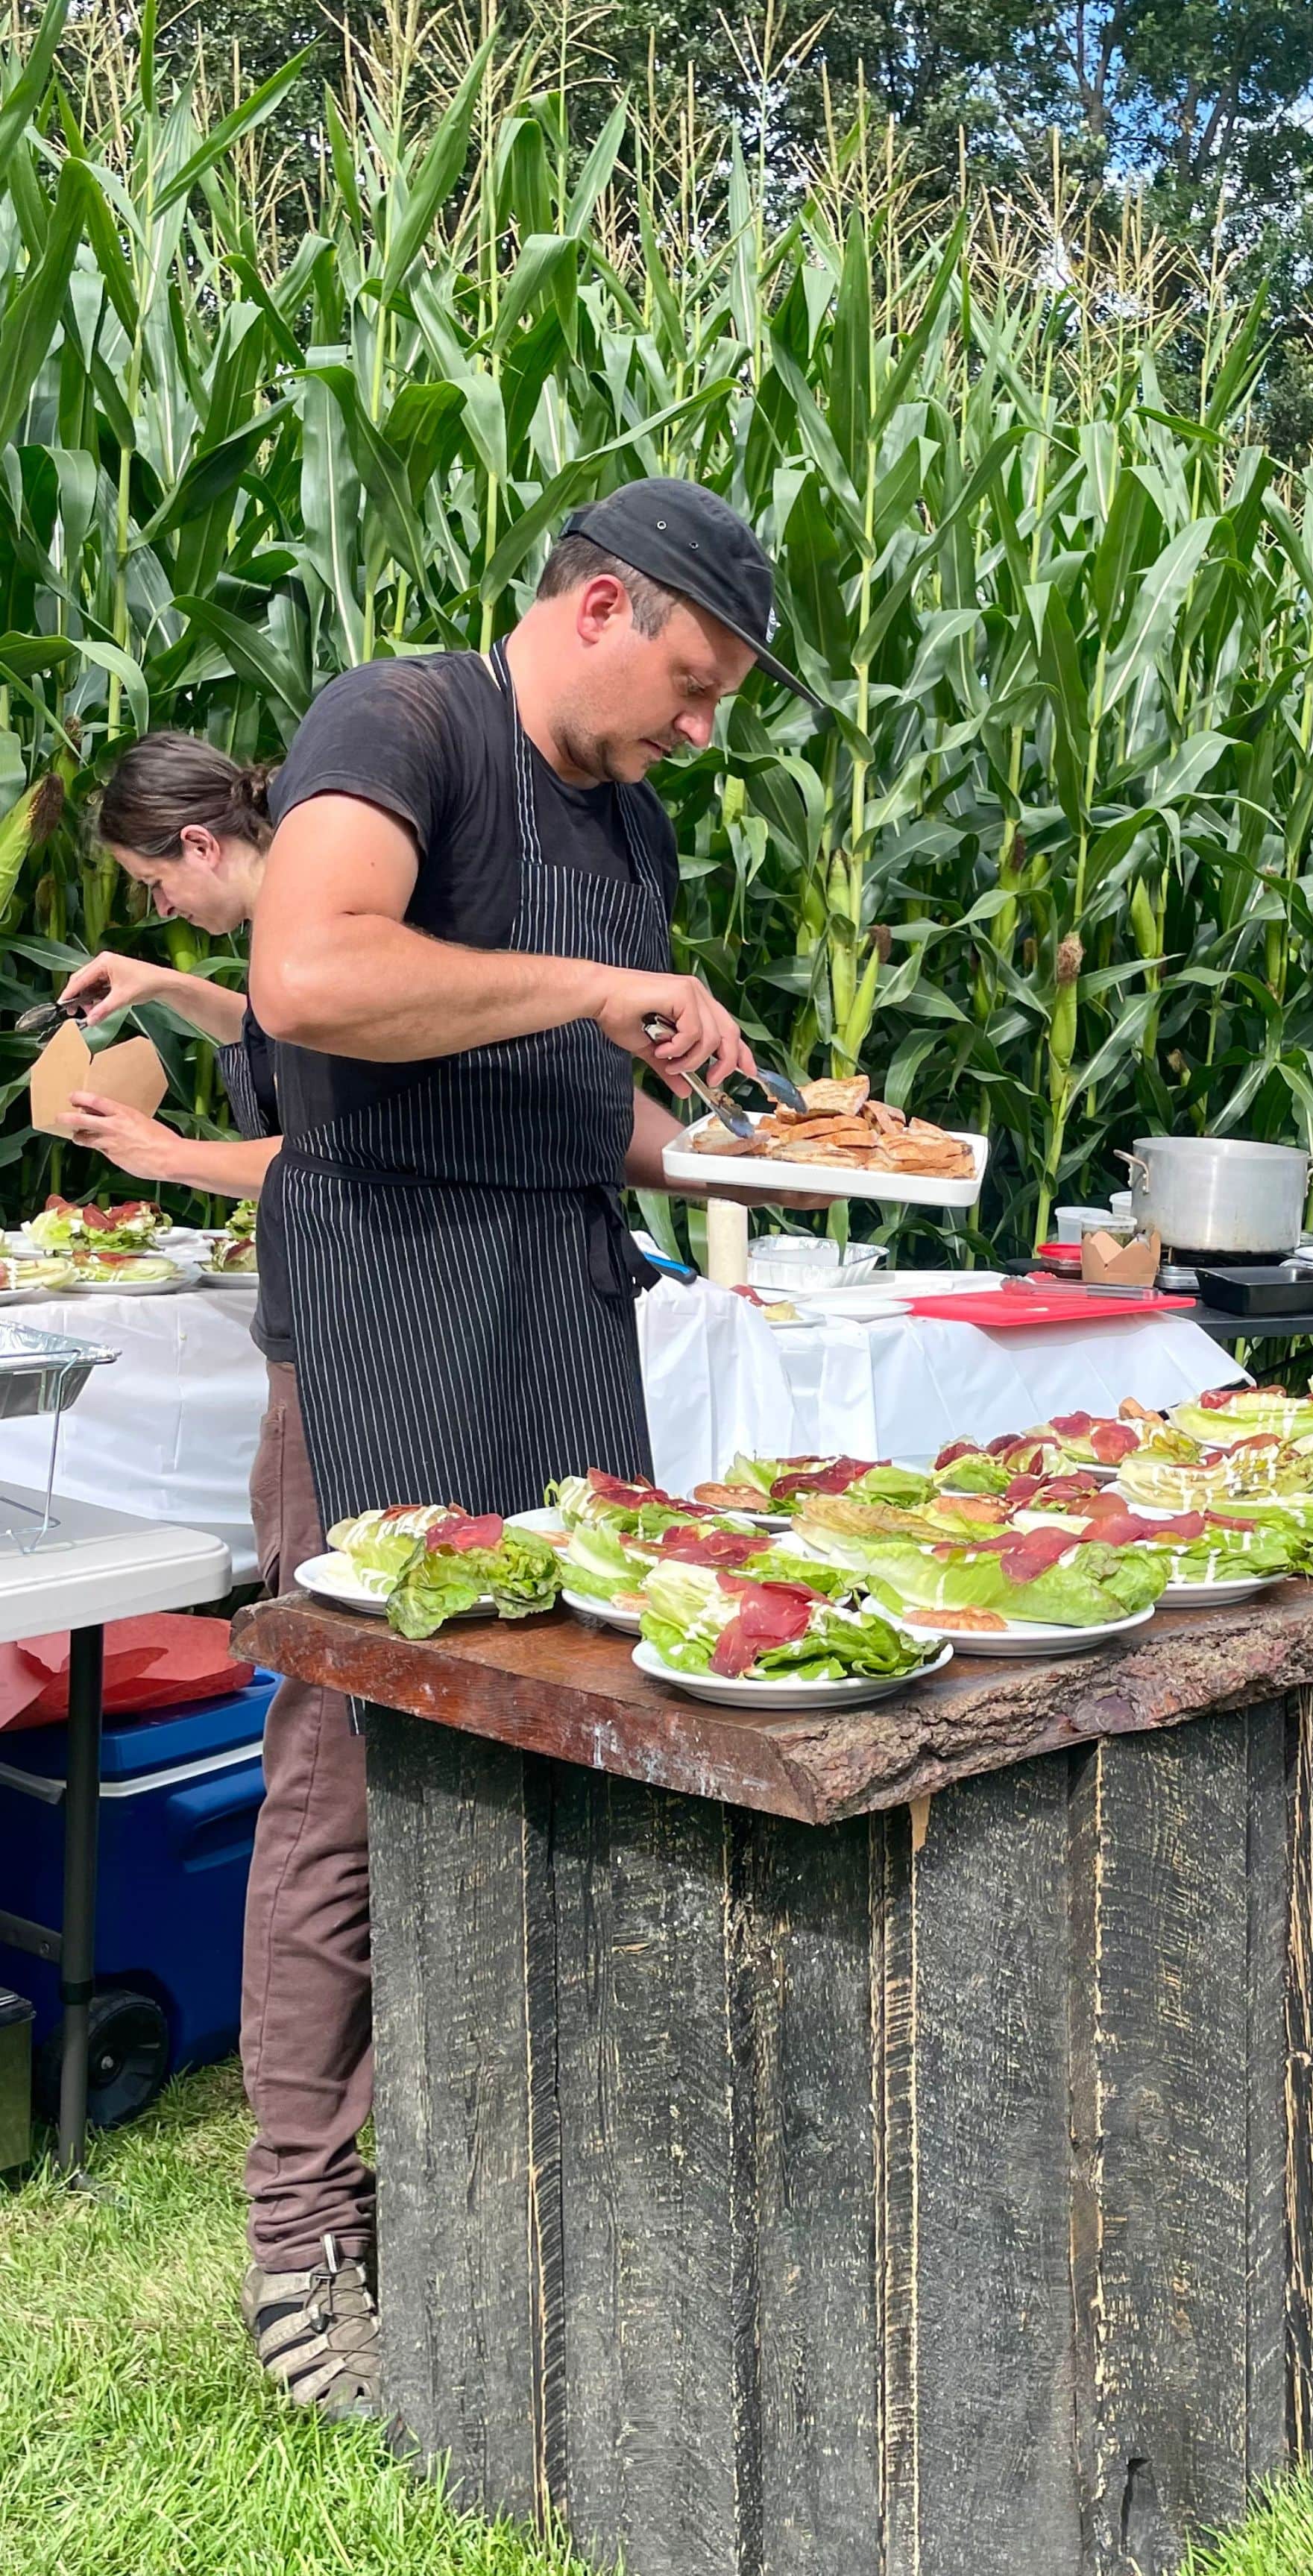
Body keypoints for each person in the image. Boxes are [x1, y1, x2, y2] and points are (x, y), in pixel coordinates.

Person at [233, 476, 827, 2419]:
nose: (700, 727)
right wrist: (600, 986)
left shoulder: (630, 821)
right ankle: (305, 2239)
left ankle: (464, 2187)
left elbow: (597, 1107)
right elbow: (308, 974)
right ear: (597, 606)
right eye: (693, 677)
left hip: (564, 1310)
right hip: (389, 1298)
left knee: (548, 1749)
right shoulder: (397, 724)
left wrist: (766, 1148)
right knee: (351, 1765)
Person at [46, 731, 288, 1199]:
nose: (162, 909)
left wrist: (167, 1155)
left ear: (200, 845)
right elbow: (278, 1040)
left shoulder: (314, 936)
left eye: (154, 882)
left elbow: (351, 1153)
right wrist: (164, 985)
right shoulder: (282, 921)